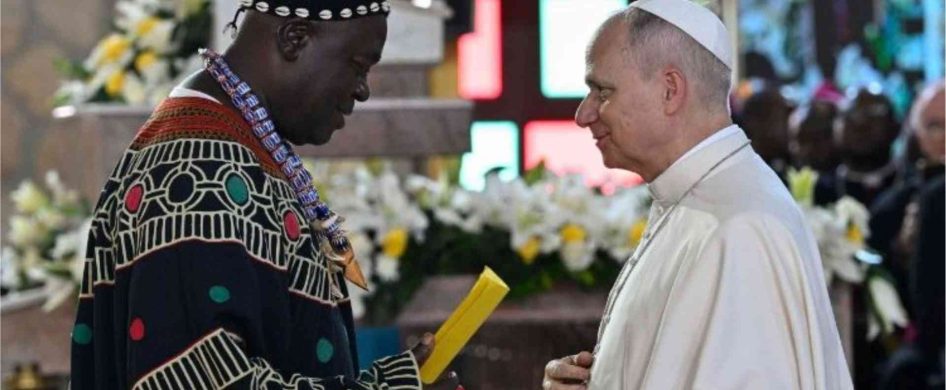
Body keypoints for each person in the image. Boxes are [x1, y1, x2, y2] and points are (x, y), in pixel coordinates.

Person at [70, 1, 459, 389]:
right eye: (358, 66)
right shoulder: (200, 168)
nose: (363, 91)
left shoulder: (229, 143)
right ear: (295, 38)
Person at [542, 0, 851, 388]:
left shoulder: (740, 228)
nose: (583, 114)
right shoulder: (697, 198)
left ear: (670, 90)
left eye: (602, 91)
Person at [832, 89, 901, 206]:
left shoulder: (913, 184)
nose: (861, 125)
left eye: (872, 115)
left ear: (895, 127)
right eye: (850, 115)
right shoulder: (817, 191)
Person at [788, 99, 842, 205]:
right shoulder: (778, 185)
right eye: (801, 140)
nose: (807, 149)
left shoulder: (847, 187)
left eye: (817, 139)